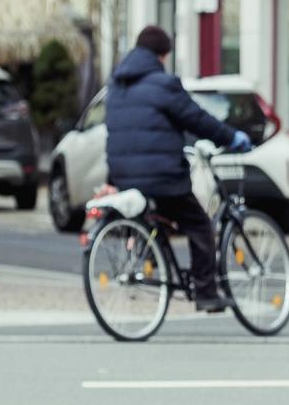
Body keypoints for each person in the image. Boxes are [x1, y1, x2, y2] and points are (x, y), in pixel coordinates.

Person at [104, 26, 253, 313]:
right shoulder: (163, 83)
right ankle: (207, 292)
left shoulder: (117, 85)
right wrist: (231, 137)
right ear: (163, 55)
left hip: (123, 175)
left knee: (158, 218)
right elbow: (196, 119)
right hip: (161, 175)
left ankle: (150, 258)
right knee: (199, 224)